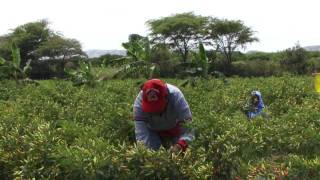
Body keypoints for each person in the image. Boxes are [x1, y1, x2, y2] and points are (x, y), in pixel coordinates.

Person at [133, 79, 194, 153]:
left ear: (166, 98)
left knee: (181, 152)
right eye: (151, 109)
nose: (155, 112)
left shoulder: (176, 95)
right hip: (152, 130)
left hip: (173, 127)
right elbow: (141, 135)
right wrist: (145, 153)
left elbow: (188, 128)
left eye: (158, 108)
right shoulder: (139, 103)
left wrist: (180, 145)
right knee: (151, 151)